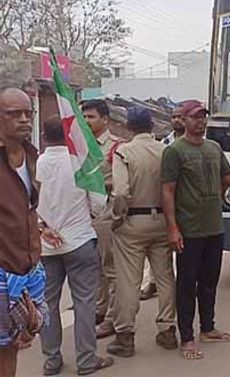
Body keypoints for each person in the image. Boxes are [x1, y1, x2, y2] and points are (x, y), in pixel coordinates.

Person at [161, 100, 230, 360]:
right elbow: (167, 191)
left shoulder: (213, 148)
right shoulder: (174, 151)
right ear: (183, 120)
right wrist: (173, 228)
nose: (201, 121)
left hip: (213, 227)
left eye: (203, 117)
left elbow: (228, 179)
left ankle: (208, 328)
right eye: (195, 117)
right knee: (187, 284)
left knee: (209, 281)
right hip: (189, 230)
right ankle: (186, 337)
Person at [36, 116, 114, 375]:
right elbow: (99, 203)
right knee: (85, 303)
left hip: (47, 245)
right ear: (70, 134)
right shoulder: (82, 162)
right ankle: (86, 360)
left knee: (48, 303)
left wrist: (43, 227)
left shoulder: (38, 162)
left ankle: (51, 360)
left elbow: (31, 203)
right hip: (80, 240)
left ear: (44, 136)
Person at [106, 108, 178, 357]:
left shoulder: (124, 152)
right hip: (162, 220)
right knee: (165, 276)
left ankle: (125, 336)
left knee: (129, 281)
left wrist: (117, 218)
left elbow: (121, 192)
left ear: (128, 127)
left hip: (132, 221)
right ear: (151, 126)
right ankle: (167, 330)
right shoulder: (165, 151)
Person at [0, 88, 47, 377]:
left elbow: (26, 210)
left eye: (28, 113)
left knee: (13, 346)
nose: (23, 119)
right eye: (13, 114)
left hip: (25, 268)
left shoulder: (32, 156)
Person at [81, 99, 123, 339]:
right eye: (84, 117)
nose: (87, 121)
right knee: (92, 267)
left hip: (106, 213)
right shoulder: (79, 146)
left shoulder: (116, 146)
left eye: (92, 117)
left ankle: (112, 318)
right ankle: (99, 307)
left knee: (111, 268)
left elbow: (120, 182)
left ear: (105, 119)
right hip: (83, 214)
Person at [141, 103, 186, 302]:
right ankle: (154, 283)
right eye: (174, 116)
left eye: (180, 116)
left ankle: (185, 284)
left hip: (188, 204)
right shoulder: (163, 144)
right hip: (167, 202)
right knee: (161, 246)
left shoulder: (201, 143)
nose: (177, 120)